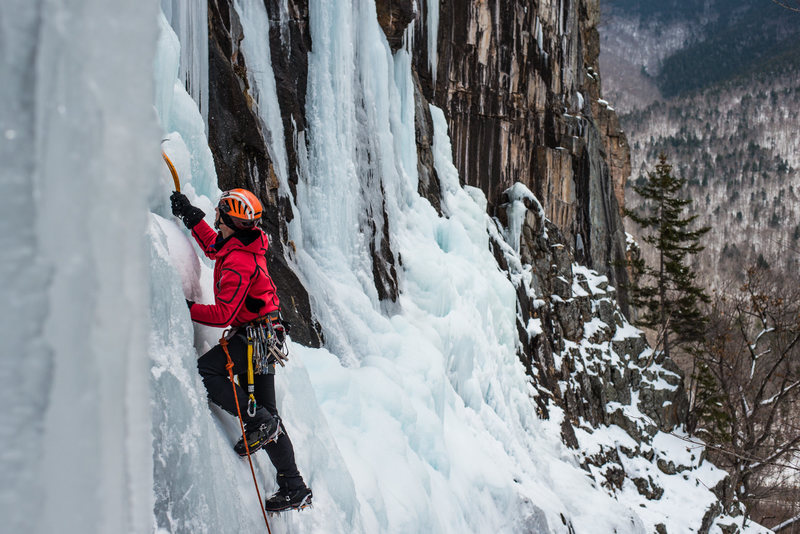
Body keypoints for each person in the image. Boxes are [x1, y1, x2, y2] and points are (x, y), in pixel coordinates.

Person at [170, 188, 312, 513]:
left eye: (219, 212)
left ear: (229, 218)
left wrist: (184, 305)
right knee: (270, 416)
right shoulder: (243, 244)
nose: (216, 216)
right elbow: (214, 247)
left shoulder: (238, 262)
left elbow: (224, 315)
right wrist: (191, 216)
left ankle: (256, 419)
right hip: (265, 333)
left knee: (207, 372)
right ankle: (293, 485)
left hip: (254, 337)